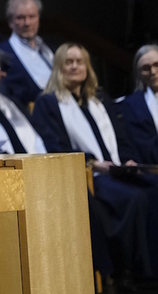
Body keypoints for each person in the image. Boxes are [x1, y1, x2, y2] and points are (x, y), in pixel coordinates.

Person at [29, 43, 155, 281]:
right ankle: (131, 272)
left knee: (154, 188)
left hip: (115, 168)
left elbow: (121, 136)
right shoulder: (48, 103)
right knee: (135, 198)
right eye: (69, 62)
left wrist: (127, 160)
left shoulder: (99, 99)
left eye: (80, 62)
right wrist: (92, 163)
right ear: (58, 67)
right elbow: (55, 146)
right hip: (88, 175)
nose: (75, 66)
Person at [0, 0, 54, 111]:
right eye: (20, 18)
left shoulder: (50, 50)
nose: (27, 23)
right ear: (10, 22)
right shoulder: (1, 53)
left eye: (32, 16)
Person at [118, 44, 158, 164]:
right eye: (146, 68)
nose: (153, 72)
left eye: (157, 65)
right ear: (139, 73)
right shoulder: (131, 106)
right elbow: (143, 148)